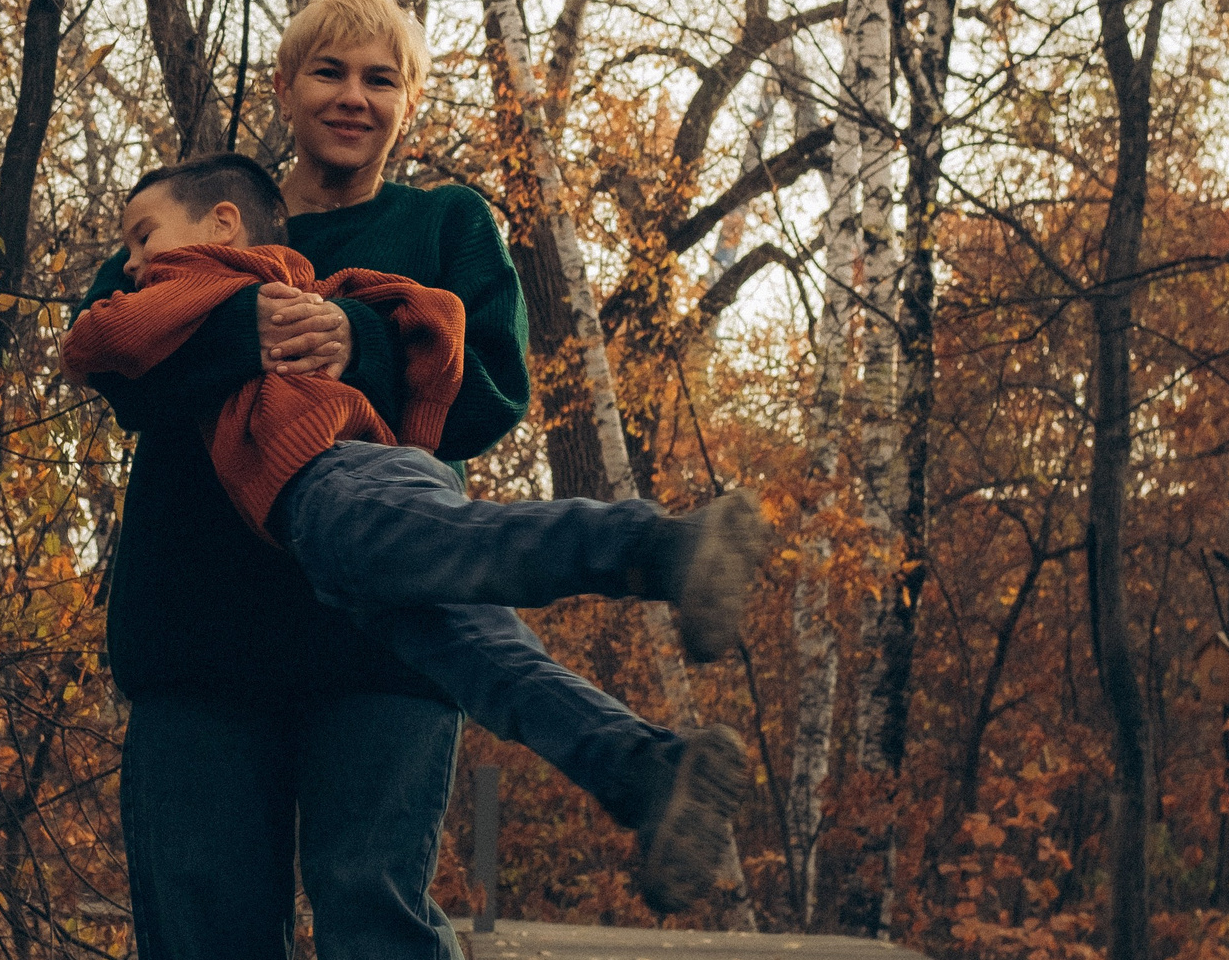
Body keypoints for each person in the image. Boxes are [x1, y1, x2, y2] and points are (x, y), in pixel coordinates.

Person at [72, 0, 749, 960]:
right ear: (285, 88)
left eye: (381, 78)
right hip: (201, 637)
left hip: (379, 635)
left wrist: (360, 344)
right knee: (207, 936)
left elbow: (491, 387)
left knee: (374, 909)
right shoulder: (203, 220)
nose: (353, 98)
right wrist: (249, 327)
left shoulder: (443, 228)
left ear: (407, 103)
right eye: (329, 71)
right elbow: (114, 355)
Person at [63, 151, 770, 893]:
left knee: (481, 547)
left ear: (221, 224)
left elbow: (97, 341)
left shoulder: (191, 277)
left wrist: (326, 338)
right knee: (490, 658)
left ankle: (657, 547)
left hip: (332, 488)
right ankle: (644, 769)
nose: (131, 263)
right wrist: (392, 384)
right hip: (364, 496)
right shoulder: (300, 278)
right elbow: (432, 315)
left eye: (143, 237)